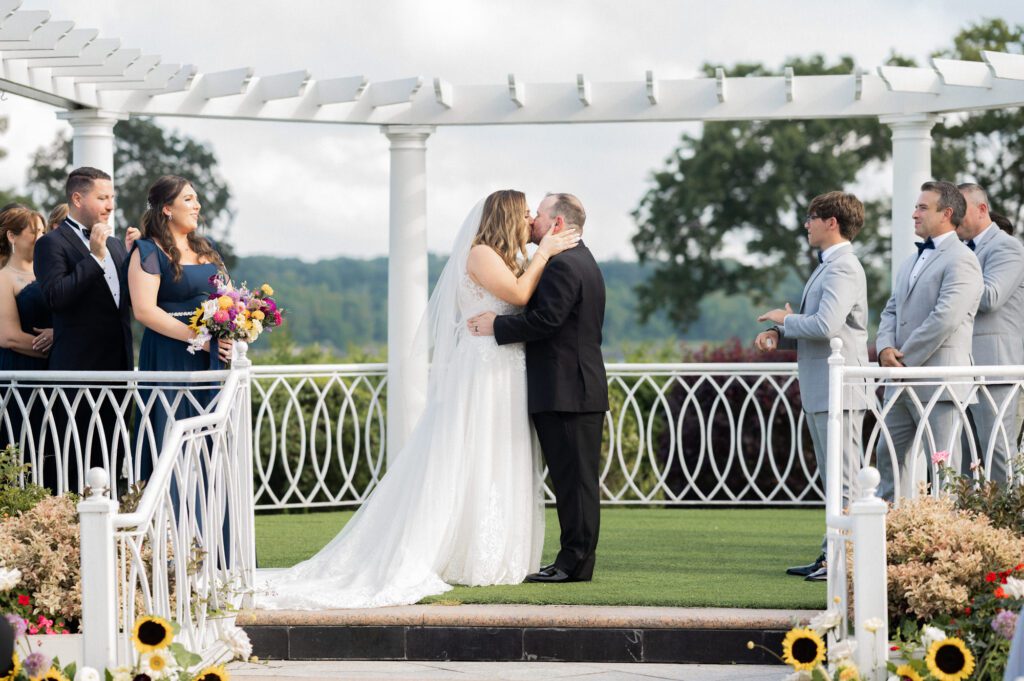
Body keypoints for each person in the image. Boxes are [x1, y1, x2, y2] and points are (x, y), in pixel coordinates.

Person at [256, 189, 580, 608]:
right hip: (483, 371)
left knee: (503, 453)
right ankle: (464, 554)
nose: (530, 219)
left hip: (508, 369)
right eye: (524, 214)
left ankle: (499, 551)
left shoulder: (512, 258)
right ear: (505, 217)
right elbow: (518, 296)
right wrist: (546, 252)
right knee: (473, 452)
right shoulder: (481, 254)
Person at [469, 192, 608, 583]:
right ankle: (572, 560)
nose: (531, 222)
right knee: (572, 481)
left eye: (538, 216)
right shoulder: (577, 259)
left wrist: (496, 326)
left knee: (575, 484)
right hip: (571, 388)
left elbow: (546, 321)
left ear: (557, 224)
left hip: (569, 391)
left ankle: (574, 564)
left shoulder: (564, 264)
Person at [754, 191, 870, 582]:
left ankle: (846, 559)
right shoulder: (829, 266)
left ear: (831, 222)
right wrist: (779, 330)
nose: (806, 224)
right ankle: (830, 554)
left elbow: (824, 325)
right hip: (824, 387)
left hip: (840, 388)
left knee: (844, 477)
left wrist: (783, 320)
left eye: (811, 217)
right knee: (831, 476)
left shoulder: (843, 267)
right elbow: (817, 323)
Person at [875, 180, 983, 501]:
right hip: (900, 383)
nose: (914, 214)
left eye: (923, 207)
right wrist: (883, 348)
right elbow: (891, 310)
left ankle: (943, 547)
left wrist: (904, 358)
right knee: (887, 459)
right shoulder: (910, 261)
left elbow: (945, 318)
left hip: (939, 383)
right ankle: (890, 541)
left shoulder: (962, 259)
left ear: (946, 213)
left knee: (944, 473)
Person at [33, 166, 133, 493]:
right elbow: (55, 297)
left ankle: (114, 525)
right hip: (77, 373)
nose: (110, 205)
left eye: (112, 198)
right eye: (102, 197)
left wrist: (137, 257)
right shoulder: (51, 244)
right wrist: (94, 257)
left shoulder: (117, 245)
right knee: (78, 459)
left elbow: (126, 302)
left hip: (118, 370)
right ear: (78, 198)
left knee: (113, 454)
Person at [127, 175, 231, 482]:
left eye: (196, 199)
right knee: (169, 430)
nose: (197, 205)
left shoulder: (206, 248)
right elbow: (145, 310)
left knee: (208, 434)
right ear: (167, 209)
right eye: (188, 199)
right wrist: (200, 339)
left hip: (210, 357)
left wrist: (233, 332)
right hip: (168, 354)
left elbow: (227, 298)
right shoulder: (147, 251)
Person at [956, 183, 1024, 483]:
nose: (954, 218)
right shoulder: (957, 249)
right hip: (960, 368)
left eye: (961, 211)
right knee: (962, 459)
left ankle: (1007, 526)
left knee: (998, 452)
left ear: (982, 209)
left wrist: (951, 286)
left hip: (996, 368)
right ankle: (969, 528)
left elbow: (991, 297)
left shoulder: (1007, 246)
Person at [0, 208, 53, 462]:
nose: (40, 237)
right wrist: (58, 346)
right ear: (12, 236)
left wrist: (60, 335)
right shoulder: (4, 278)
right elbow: (8, 337)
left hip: (55, 373)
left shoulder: (50, 273)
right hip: (19, 376)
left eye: (43, 231)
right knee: (23, 450)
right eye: (33, 232)